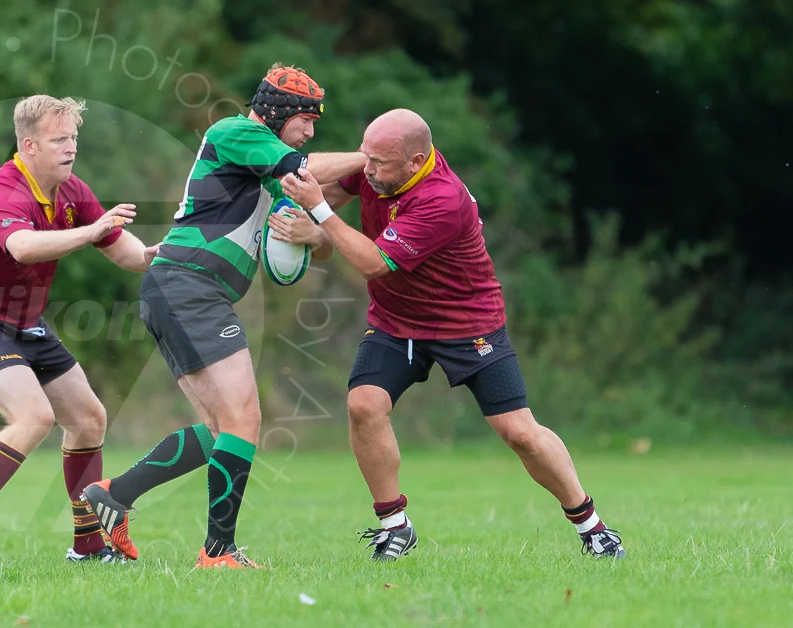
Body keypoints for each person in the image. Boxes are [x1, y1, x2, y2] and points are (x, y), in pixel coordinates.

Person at [267, 108, 625, 560]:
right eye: (367, 158)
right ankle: (394, 526)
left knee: (519, 432)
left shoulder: (441, 198)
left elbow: (373, 262)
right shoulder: (378, 169)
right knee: (364, 404)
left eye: (379, 163)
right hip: (396, 321)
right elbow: (309, 179)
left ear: (416, 162)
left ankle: (591, 526)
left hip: (466, 323)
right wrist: (346, 175)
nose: (370, 172)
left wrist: (317, 213)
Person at [82, 65, 367, 568]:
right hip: (188, 286)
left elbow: (318, 237)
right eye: (305, 119)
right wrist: (370, 158)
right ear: (278, 114)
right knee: (244, 418)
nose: (310, 130)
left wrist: (314, 233)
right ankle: (218, 553)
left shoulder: (269, 171)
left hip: (184, 291)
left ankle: (116, 495)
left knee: (222, 429)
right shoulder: (237, 133)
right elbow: (307, 167)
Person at [0, 95, 159, 566]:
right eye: (59, 140)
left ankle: (88, 548)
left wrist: (171, 250)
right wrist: (91, 233)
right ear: (29, 145)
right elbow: (23, 247)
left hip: (23, 322)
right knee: (33, 417)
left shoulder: (72, 190)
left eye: (73, 137)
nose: (71, 148)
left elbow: (131, 256)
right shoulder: (2, 190)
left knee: (89, 419)